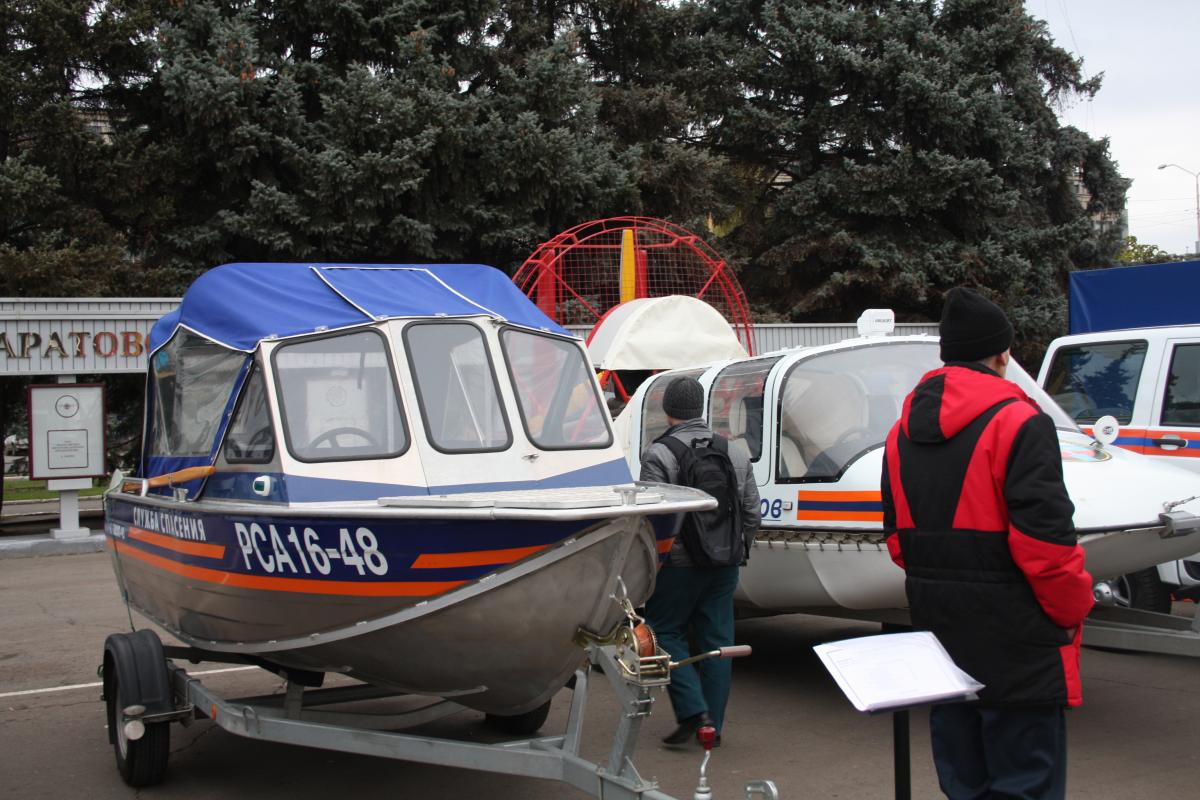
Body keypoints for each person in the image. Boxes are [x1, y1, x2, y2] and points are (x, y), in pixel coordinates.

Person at [881, 287, 1095, 799]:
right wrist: (1073, 609)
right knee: (1026, 782)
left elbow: (897, 543)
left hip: (942, 631)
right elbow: (1047, 548)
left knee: (964, 782)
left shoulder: (898, 434)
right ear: (1003, 355)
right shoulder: (1020, 422)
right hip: (1018, 640)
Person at [640, 375, 761, 746]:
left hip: (678, 564)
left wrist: (652, 566)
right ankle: (713, 729)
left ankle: (695, 712)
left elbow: (652, 517)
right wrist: (742, 550)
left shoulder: (658, 454)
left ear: (667, 409)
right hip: (725, 561)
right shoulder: (734, 451)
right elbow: (751, 510)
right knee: (718, 641)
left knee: (662, 630)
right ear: (701, 408)